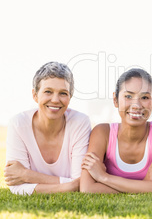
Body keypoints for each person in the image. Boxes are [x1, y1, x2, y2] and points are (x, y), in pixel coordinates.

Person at [4, 62, 91, 195]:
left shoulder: (80, 123)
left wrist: (27, 175)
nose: (55, 100)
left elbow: (81, 182)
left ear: (70, 97)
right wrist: (69, 186)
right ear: (35, 95)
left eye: (63, 93)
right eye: (48, 92)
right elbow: (17, 187)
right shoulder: (18, 124)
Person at [80, 68, 152, 193]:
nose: (136, 105)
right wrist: (146, 185)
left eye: (144, 97)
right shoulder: (102, 133)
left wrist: (104, 177)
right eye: (128, 96)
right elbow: (87, 189)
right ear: (115, 99)